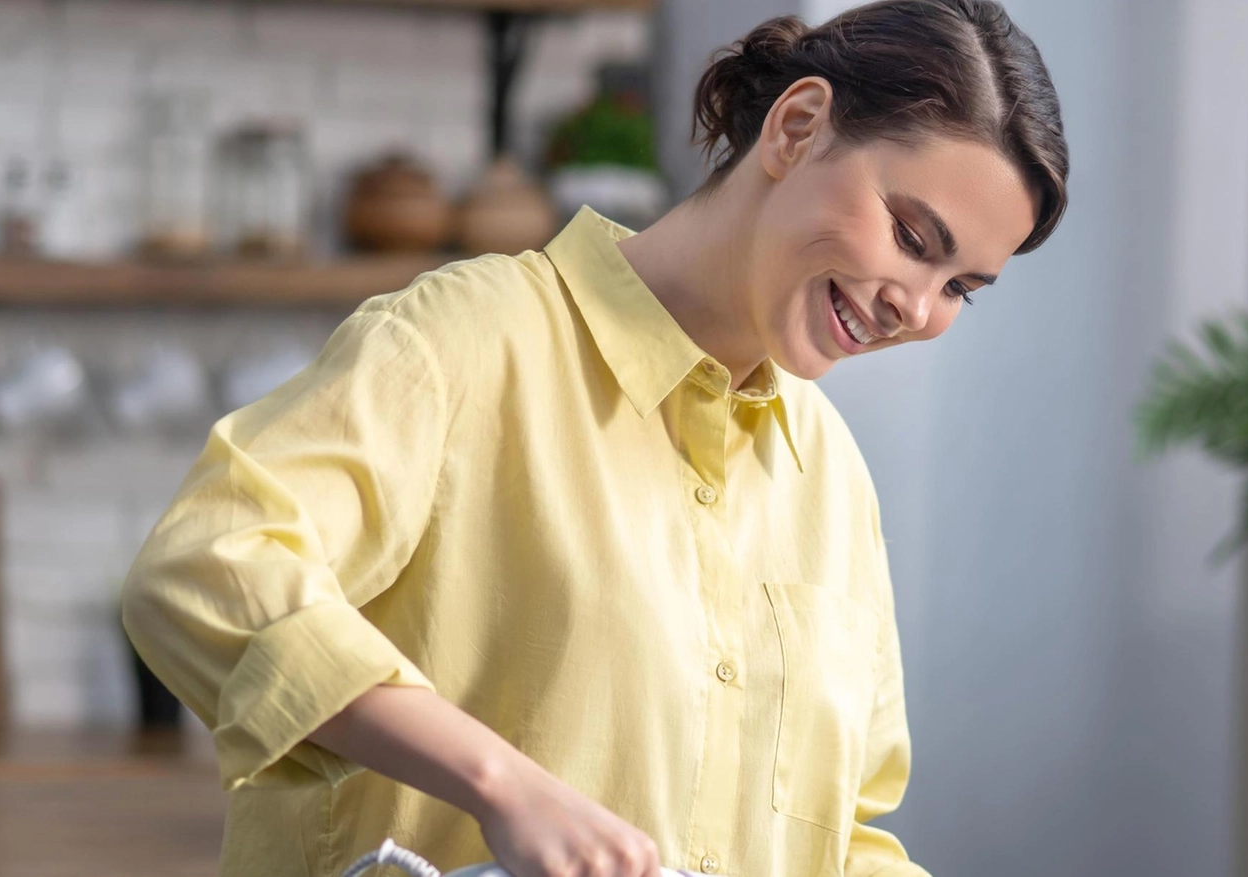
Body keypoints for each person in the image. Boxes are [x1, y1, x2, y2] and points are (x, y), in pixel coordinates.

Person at [120, 2, 1069, 877]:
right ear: (796, 126)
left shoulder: (830, 478)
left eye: (960, 289)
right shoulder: (468, 339)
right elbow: (208, 563)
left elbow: (847, 832)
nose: (916, 306)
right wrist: (502, 783)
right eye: (911, 234)